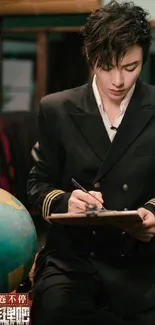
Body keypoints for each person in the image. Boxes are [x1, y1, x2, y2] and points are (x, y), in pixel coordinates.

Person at [27, 1, 155, 324]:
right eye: (106, 66)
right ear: (90, 57)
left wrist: (153, 213)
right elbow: (37, 185)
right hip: (73, 260)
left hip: (139, 262)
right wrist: (67, 202)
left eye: (130, 68)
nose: (118, 81)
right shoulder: (56, 108)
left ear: (144, 59)